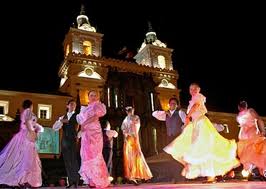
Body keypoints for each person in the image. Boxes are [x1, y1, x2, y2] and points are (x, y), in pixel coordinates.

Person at [163, 83, 240, 182]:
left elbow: (197, 105)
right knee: (200, 149)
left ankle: (210, 175)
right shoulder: (193, 99)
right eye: (191, 89)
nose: (192, 90)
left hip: (201, 123)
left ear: (199, 89)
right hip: (195, 123)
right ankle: (205, 173)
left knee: (205, 148)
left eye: (194, 89)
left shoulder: (198, 97)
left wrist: (188, 116)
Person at [0, 100, 43, 188]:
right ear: (30, 105)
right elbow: (27, 122)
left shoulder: (25, 112)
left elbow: (30, 122)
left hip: (24, 135)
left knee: (23, 158)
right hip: (26, 136)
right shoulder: (28, 111)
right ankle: (23, 180)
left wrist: (38, 128)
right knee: (27, 158)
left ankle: (23, 180)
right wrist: (31, 131)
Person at [76, 90, 110, 188]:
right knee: (87, 154)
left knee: (95, 154)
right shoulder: (85, 108)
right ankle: (91, 180)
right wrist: (82, 127)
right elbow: (81, 120)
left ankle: (98, 179)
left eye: (95, 95)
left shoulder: (98, 106)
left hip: (95, 132)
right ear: (88, 97)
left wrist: (84, 124)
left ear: (98, 97)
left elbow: (95, 117)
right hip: (86, 133)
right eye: (91, 95)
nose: (93, 97)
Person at [121, 106, 153, 185]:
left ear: (133, 110)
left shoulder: (136, 117)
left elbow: (136, 126)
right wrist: (126, 134)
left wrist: (131, 132)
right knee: (129, 157)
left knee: (137, 156)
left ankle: (140, 174)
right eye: (128, 110)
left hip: (134, 138)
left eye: (131, 110)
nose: (129, 111)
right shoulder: (125, 119)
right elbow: (123, 128)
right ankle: (132, 176)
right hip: (128, 140)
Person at [52, 99, 80, 188]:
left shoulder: (78, 116)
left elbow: (83, 126)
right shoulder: (62, 117)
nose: (73, 106)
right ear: (67, 106)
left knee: (74, 161)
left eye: (74, 105)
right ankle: (71, 182)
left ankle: (75, 182)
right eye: (71, 104)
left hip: (73, 140)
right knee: (67, 162)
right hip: (64, 141)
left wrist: (78, 136)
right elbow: (54, 128)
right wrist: (60, 121)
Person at [236, 101, 266, 177]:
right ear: (246, 106)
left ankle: (249, 170)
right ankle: (257, 170)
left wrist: (262, 130)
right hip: (251, 134)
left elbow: (258, 120)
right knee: (256, 152)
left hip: (244, 136)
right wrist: (263, 130)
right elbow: (259, 119)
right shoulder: (250, 111)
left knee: (248, 154)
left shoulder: (239, 116)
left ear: (239, 107)